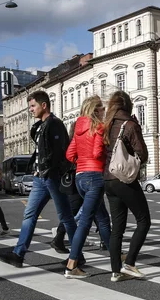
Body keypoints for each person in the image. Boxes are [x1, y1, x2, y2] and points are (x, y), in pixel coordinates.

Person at [0, 91, 77, 268]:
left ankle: (77, 256)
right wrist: (36, 168)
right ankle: (18, 254)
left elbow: (58, 152)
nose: (30, 110)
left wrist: (48, 169)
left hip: (52, 176)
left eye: (33, 106)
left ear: (44, 105)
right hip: (41, 178)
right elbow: (41, 152)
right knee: (30, 214)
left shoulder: (55, 124)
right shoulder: (40, 126)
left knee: (66, 216)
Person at [62, 95, 113, 279]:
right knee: (85, 222)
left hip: (80, 178)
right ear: (96, 110)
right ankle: (71, 264)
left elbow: (69, 154)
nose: (104, 112)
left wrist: (81, 161)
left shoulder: (78, 128)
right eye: (102, 109)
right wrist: (102, 153)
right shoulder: (98, 127)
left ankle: (116, 257)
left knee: (103, 219)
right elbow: (97, 151)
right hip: (94, 177)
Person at [104, 91, 149, 282]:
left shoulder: (107, 125)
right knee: (143, 220)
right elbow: (143, 154)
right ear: (128, 106)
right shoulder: (130, 125)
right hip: (124, 180)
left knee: (117, 228)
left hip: (108, 180)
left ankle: (115, 271)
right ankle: (129, 263)